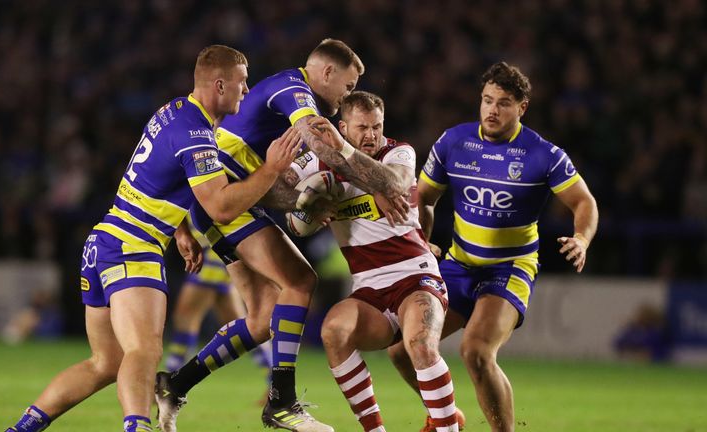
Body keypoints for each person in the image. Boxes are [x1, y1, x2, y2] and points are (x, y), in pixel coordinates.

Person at [4, 44, 303, 432]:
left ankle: (22, 428)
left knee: (105, 363)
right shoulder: (195, 131)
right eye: (242, 83)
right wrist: (270, 169)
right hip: (133, 247)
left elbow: (158, 174)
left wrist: (180, 228)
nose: (247, 92)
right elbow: (221, 207)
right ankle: (137, 426)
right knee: (144, 350)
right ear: (219, 84)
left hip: (104, 241)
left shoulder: (174, 112)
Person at [155, 39, 410, 432]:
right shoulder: (295, 90)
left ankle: (174, 385)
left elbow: (286, 184)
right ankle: (282, 402)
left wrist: (307, 202)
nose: (345, 98)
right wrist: (383, 182)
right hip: (228, 198)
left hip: (232, 201)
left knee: (261, 320)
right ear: (326, 73)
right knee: (301, 280)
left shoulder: (287, 102)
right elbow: (323, 145)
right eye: (347, 86)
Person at [387, 62, 599, 432]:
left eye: (503, 103)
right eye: (487, 100)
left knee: (476, 352)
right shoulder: (453, 142)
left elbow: (584, 203)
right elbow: (422, 198)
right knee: (401, 348)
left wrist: (581, 238)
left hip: (509, 269)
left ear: (522, 108)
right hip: (458, 265)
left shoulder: (542, 154)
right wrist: (421, 242)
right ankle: (446, 414)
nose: (492, 110)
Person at [288, 91, 461, 432]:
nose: (371, 135)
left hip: (415, 276)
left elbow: (393, 180)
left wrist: (345, 156)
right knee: (334, 331)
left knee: (420, 346)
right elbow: (290, 212)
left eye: (377, 127)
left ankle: (448, 427)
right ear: (342, 126)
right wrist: (307, 200)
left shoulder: (398, 152)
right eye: (362, 127)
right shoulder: (316, 163)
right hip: (369, 288)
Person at [163, 225, 272, 387]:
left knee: (186, 317)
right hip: (216, 252)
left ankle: (169, 382)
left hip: (211, 255)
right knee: (249, 325)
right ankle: (275, 379)